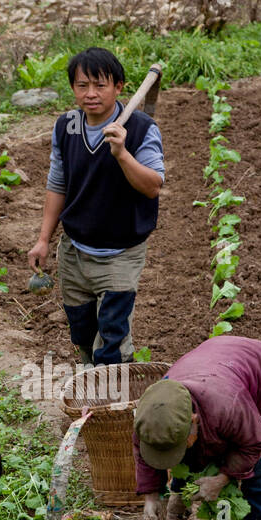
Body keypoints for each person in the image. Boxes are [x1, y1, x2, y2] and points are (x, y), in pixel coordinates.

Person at [27, 47, 165, 366]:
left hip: (120, 253)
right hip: (74, 250)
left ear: (118, 87)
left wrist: (123, 155)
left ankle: (115, 401)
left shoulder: (141, 129)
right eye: (82, 85)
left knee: (113, 338)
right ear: (73, 88)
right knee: (82, 331)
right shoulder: (66, 127)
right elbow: (57, 184)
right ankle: (92, 378)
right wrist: (44, 239)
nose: (90, 94)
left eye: (100, 85)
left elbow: (153, 185)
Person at [131, 335, 261, 520]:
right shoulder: (150, 414)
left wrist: (221, 479)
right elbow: (144, 452)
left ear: (194, 420)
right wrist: (151, 497)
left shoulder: (228, 407)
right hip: (217, 365)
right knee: (191, 449)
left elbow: (255, 444)